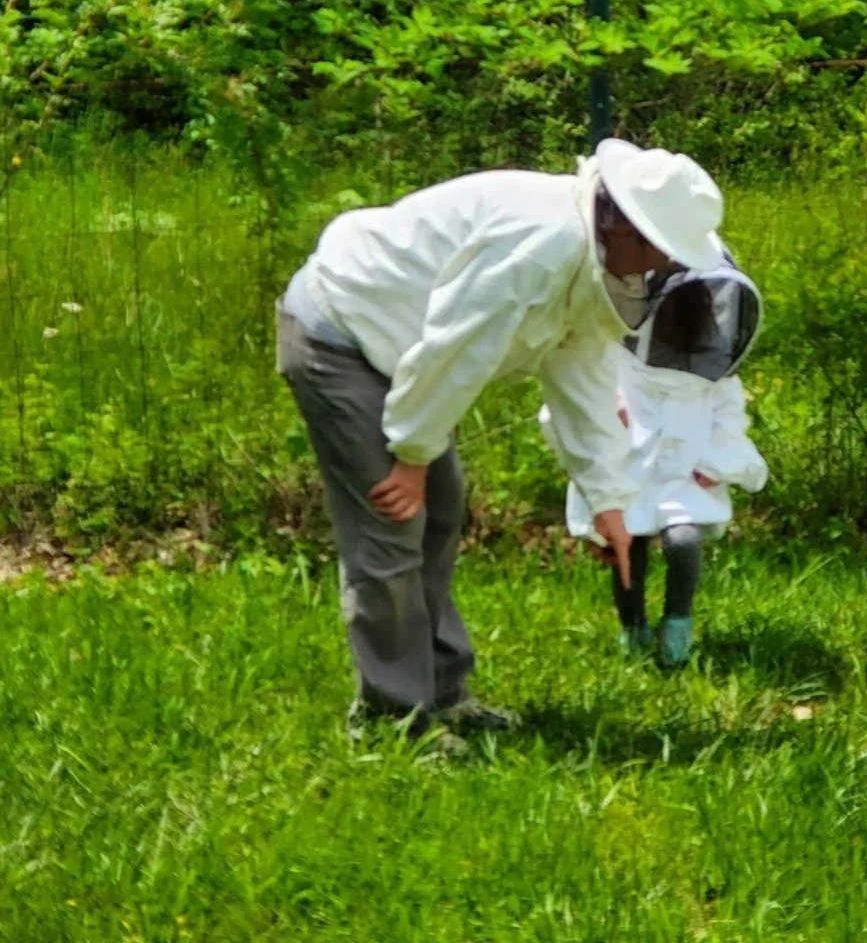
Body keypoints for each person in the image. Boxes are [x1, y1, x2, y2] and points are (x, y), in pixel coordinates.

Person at [274, 138, 725, 739]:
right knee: (391, 527)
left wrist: (609, 501)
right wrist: (411, 455)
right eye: (659, 251)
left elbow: (583, 376)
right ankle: (393, 721)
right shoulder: (540, 243)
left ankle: (443, 695)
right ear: (628, 229)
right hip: (342, 332)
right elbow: (456, 349)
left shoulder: (589, 255)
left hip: (401, 355)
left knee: (439, 513)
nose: (658, 268)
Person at [542, 252, 767, 667]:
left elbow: (729, 423)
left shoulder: (715, 373)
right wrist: (606, 412)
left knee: (683, 541)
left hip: (683, 476)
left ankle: (678, 622)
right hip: (627, 474)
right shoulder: (616, 359)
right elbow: (573, 402)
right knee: (629, 545)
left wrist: (717, 464)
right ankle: (633, 628)